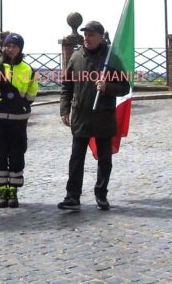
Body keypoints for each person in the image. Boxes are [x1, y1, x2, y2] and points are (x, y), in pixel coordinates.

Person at [58, 21, 130, 211]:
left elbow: (124, 87)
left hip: (103, 116)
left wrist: (108, 87)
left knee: (105, 159)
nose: (86, 38)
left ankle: (101, 194)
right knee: (76, 158)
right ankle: (72, 196)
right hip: (80, 116)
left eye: (90, 35)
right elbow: (67, 85)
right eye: (85, 35)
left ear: (100, 36)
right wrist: (64, 109)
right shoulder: (76, 56)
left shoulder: (111, 59)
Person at [0, 33, 39, 208]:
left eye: (14, 46)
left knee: (17, 153)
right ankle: (2, 191)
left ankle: (13, 191)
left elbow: (32, 92)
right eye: (7, 45)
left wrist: (22, 105)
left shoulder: (28, 69)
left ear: (20, 48)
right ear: (3, 47)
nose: (10, 49)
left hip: (18, 118)